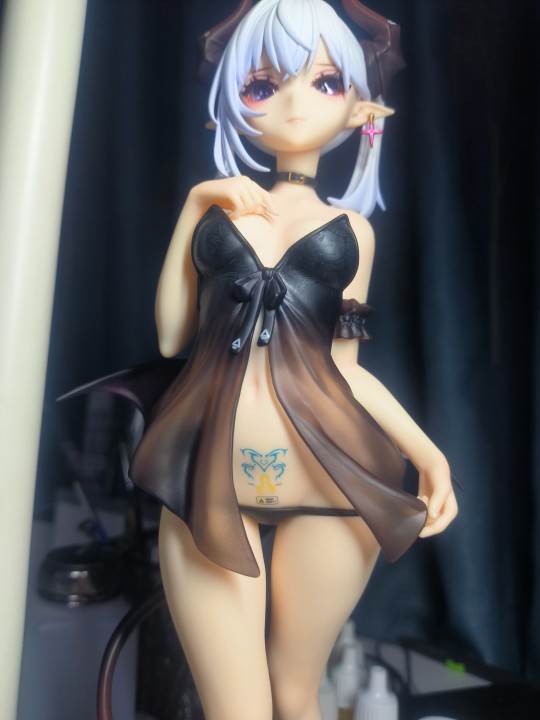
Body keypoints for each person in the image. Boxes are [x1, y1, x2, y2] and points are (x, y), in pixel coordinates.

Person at [129, 1, 458, 718]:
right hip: (209, 480)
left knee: (296, 694)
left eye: (325, 81)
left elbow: (346, 371)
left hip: (333, 481)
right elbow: (171, 338)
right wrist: (193, 208)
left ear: (360, 111)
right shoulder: (218, 213)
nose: (294, 101)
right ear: (232, 102)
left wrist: (428, 455)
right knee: (237, 710)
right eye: (263, 84)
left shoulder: (353, 232)